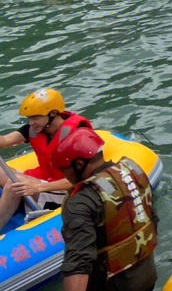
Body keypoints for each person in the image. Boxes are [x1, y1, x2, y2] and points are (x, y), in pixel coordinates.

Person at [53, 127, 159, 291]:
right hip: (146, 278)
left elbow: (78, 262)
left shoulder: (81, 201)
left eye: (64, 170)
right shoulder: (132, 172)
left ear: (79, 164)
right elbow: (152, 219)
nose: (64, 176)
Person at [0, 89, 94, 232]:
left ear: (53, 113)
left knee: (14, 185)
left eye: (35, 118)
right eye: (29, 118)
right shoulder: (35, 128)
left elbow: (84, 179)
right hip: (46, 179)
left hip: (66, 189)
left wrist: (39, 188)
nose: (31, 123)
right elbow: (6, 141)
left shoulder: (77, 135)